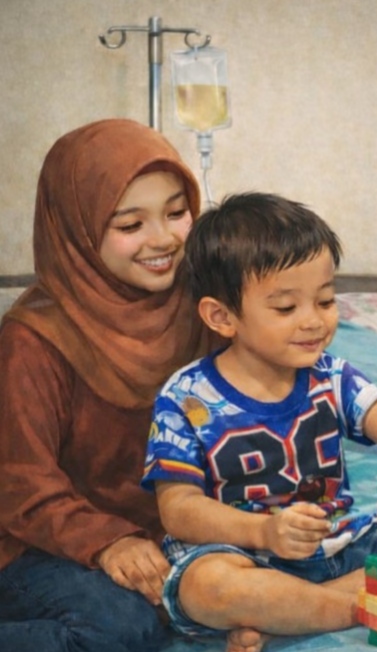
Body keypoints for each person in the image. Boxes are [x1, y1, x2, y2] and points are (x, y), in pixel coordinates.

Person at [140, 192, 377, 641]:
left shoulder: (330, 375)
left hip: (337, 543)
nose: (313, 321)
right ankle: (372, 602)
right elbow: (179, 510)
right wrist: (264, 532)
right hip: (243, 551)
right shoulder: (186, 398)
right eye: (286, 308)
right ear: (222, 316)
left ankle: (296, 611)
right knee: (209, 586)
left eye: (325, 301)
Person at [0, 119, 208, 651]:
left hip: (169, 536)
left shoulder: (206, 308)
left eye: (176, 213)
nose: (162, 239)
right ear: (78, 232)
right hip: (35, 543)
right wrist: (109, 542)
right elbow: (20, 483)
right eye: (130, 224)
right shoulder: (33, 339)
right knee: (121, 626)